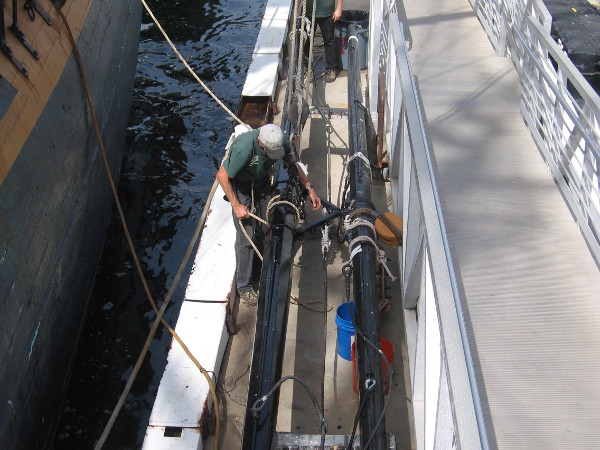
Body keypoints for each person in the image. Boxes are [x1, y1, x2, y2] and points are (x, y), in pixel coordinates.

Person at [216, 124, 321, 305]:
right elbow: (222, 176)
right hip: (241, 187)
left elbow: (293, 165)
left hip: (262, 182)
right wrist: (237, 205)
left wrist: (309, 188)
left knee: (266, 224)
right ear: (260, 142)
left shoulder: (281, 140)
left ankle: (258, 266)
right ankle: (244, 286)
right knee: (246, 237)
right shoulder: (244, 148)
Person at [304, 0, 343, 82]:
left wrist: (339, 8)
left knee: (329, 42)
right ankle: (307, 67)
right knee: (306, 41)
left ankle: (331, 69)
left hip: (327, 14)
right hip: (309, 13)